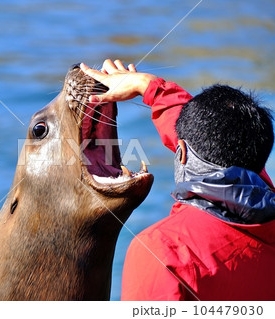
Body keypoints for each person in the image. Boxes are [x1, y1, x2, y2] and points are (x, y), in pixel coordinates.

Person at [80, 60, 275, 301]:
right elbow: (213, 145)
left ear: (180, 152)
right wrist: (150, 87)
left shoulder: (162, 252)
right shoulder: (261, 186)